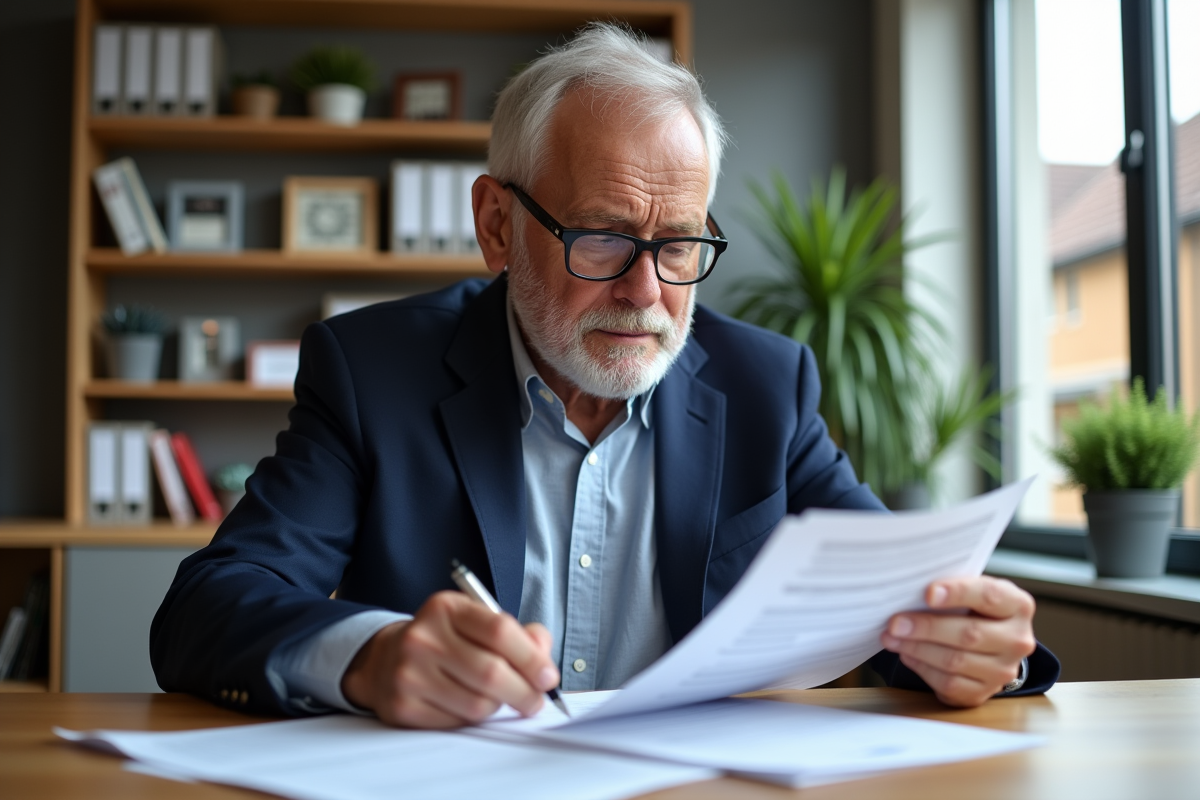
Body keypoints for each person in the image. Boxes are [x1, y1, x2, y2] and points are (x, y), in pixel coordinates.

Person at [151, 24, 1058, 728]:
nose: (646, 291)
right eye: (603, 238)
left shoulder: (766, 386)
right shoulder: (372, 373)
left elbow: (895, 609)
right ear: (498, 226)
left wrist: (977, 650)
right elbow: (206, 610)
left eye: (679, 246)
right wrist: (374, 656)